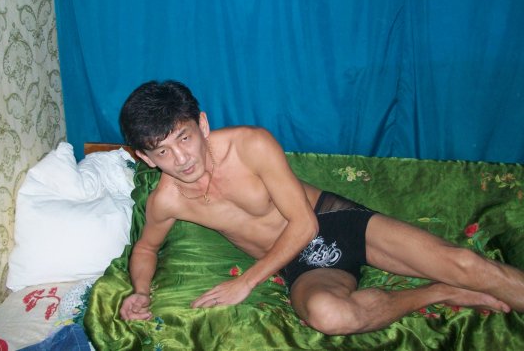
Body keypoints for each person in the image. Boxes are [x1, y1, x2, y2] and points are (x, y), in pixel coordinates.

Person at [118, 80, 524, 335]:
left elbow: (305, 224)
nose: (182, 158)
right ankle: (439, 292)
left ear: (202, 125)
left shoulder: (250, 144)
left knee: (466, 263)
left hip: (331, 222)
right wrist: (140, 291)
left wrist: (246, 283)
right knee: (331, 317)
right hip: (298, 266)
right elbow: (146, 248)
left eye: (185, 138)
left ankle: (458, 279)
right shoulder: (167, 201)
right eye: (163, 151)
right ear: (146, 158)